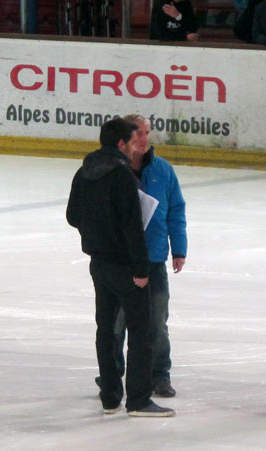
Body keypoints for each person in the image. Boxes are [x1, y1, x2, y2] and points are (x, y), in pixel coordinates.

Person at [66, 118, 175, 417]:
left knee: (106, 330)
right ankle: (139, 400)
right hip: (127, 267)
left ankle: (110, 397)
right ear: (120, 144)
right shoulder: (122, 175)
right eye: (131, 140)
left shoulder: (84, 171)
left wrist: (97, 234)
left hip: (98, 263)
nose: (135, 146)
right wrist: (141, 269)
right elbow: (132, 228)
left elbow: (72, 215)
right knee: (141, 333)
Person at [100, 114, 187, 398]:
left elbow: (176, 210)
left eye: (148, 132)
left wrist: (179, 248)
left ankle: (160, 374)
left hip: (153, 259)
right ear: (124, 137)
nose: (144, 138)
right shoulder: (113, 170)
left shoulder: (163, 170)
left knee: (157, 322)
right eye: (138, 132)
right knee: (117, 323)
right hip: (122, 260)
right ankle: (112, 374)